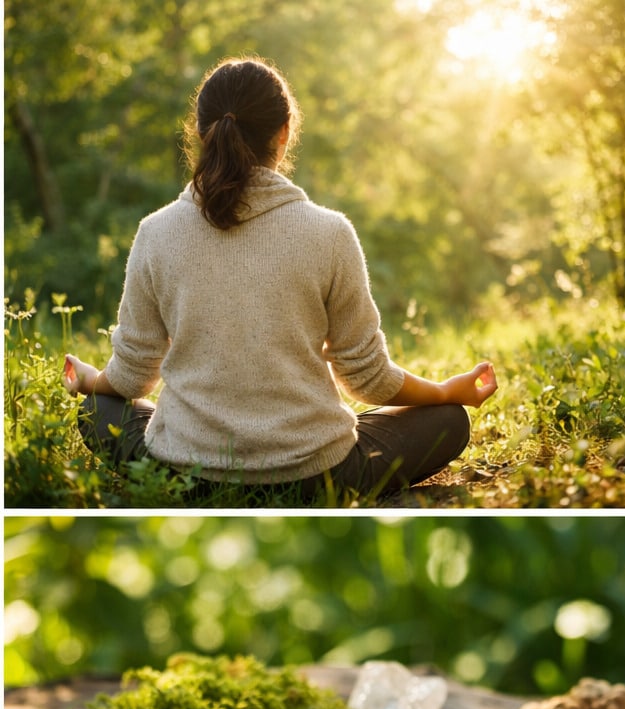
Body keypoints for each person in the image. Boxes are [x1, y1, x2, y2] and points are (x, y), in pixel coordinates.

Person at [63, 55, 498, 499]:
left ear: (199, 133)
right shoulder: (330, 233)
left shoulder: (155, 233)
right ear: (285, 133)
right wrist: (445, 391)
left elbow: (132, 378)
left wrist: (90, 381)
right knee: (447, 420)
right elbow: (367, 379)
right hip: (319, 478)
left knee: (98, 411)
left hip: (183, 476)